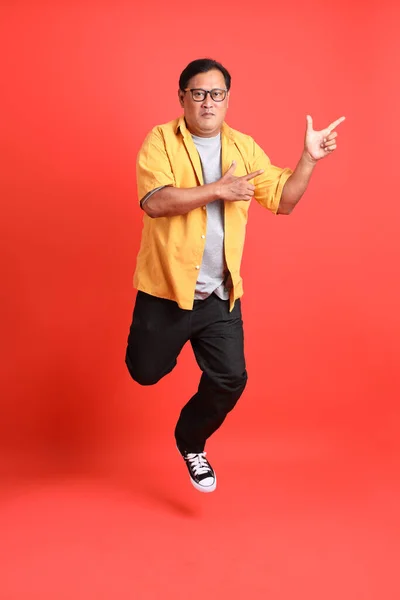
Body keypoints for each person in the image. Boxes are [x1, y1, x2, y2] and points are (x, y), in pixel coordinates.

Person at [125, 58, 345, 493]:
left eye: (217, 94)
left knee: (231, 378)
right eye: (198, 93)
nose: (208, 102)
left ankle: (191, 440)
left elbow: (283, 200)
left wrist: (308, 159)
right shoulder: (160, 141)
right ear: (183, 98)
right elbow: (155, 201)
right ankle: (162, 348)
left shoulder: (243, 147)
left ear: (228, 99)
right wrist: (219, 190)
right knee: (145, 372)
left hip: (220, 296)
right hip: (165, 291)